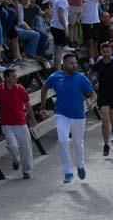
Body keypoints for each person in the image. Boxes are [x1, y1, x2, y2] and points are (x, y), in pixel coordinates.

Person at [41, 52, 95, 184]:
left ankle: (80, 165)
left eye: (75, 63)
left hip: (78, 115)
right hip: (61, 114)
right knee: (62, 141)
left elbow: (93, 94)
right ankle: (68, 171)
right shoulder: (55, 77)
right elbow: (44, 89)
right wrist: (42, 107)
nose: (74, 65)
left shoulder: (81, 78)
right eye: (71, 63)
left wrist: (91, 102)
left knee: (78, 143)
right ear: (64, 64)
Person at [0, 67, 36, 179]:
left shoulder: (20, 89)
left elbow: (27, 104)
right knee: (12, 146)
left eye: (16, 76)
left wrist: (32, 119)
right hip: (6, 123)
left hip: (21, 122)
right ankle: (16, 160)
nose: (16, 79)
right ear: (7, 78)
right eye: (13, 77)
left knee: (26, 147)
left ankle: (27, 171)